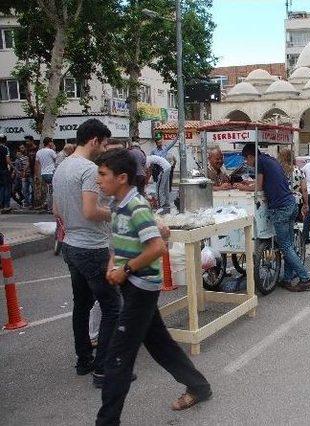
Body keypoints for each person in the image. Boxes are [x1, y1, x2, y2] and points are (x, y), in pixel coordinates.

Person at [93, 148, 211, 425]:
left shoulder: (137, 207)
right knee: (160, 346)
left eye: (102, 174)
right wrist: (113, 264)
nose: (98, 180)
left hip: (141, 288)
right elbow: (119, 243)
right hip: (132, 284)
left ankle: (106, 421)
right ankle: (200, 387)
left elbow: (157, 247)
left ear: (121, 178)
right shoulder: (117, 206)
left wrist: (125, 269)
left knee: (117, 359)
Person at [51, 118, 121, 387]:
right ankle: (104, 370)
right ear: (94, 141)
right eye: (103, 144)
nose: (104, 149)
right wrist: (116, 213)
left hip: (70, 245)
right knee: (113, 307)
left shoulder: (61, 167)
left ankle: (84, 360)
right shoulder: (90, 170)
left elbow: (57, 211)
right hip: (92, 248)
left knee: (81, 305)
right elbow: (91, 211)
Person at [240, 143, 310, 292]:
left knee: (285, 246)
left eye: (246, 159)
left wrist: (242, 187)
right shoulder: (270, 160)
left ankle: (305, 278)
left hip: (280, 208)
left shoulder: (260, 162)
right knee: (289, 246)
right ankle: (287, 278)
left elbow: (258, 187)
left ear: (250, 156)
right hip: (290, 204)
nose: (247, 163)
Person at [277, 148, 308, 221]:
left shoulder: (278, 170)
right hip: (296, 201)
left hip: (282, 201)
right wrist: (306, 204)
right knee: (294, 223)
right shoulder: (298, 170)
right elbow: (304, 189)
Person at [35, 137, 57, 211]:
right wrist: (54, 149)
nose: (53, 144)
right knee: (54, 191)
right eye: (52, 142)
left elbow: (37, 165)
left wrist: (38, 175)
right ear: (49, 143)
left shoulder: (39, 152)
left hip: (43, 174)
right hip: (51, 173)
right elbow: (56, 161)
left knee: (48, 191)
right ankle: (52, 207)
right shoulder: (51, 151)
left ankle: (48, 205)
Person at [14, 143, 31, 208]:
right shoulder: (20, 158)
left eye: (22, 148)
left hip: (30, 174)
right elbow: (20, 168)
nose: (22, 149)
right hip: (24, 176)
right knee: (24, 190)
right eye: (20, 148)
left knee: (31, 190)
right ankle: (27, 203)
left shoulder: (29, 155)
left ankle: (30, 203)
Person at [0, 134, 12, 212]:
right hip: (4, 170)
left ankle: (1, 205)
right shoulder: (5, 148)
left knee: (1, 187)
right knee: (7, 188)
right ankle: (6, 205)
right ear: (5, 140)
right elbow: (7, 161)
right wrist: (15, 169)